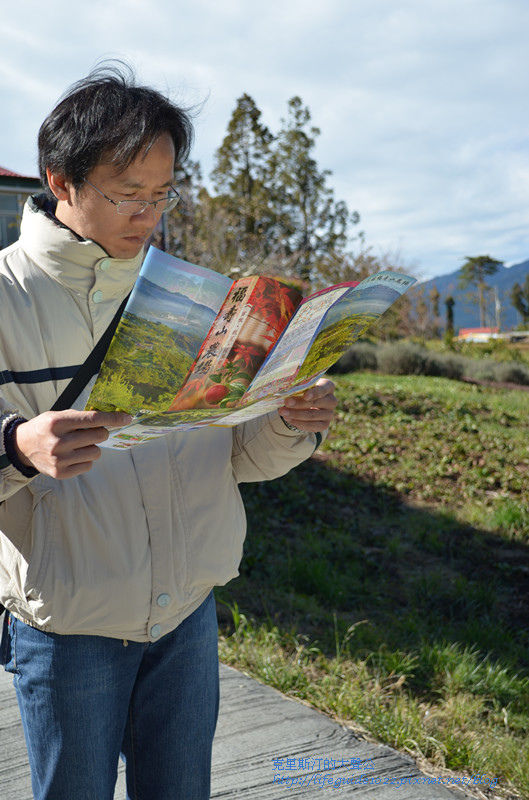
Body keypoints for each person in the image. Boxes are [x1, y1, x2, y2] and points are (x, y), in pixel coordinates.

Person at [0, 63, 337, 800]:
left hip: (188, 613)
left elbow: (237, 456)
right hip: (69, 627)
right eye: (127, 195)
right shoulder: (5, 297)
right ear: (60, 182)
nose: (148, 215)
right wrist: (17, 450)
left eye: (162, 195)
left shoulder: (198, 298)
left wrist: (288, 421)